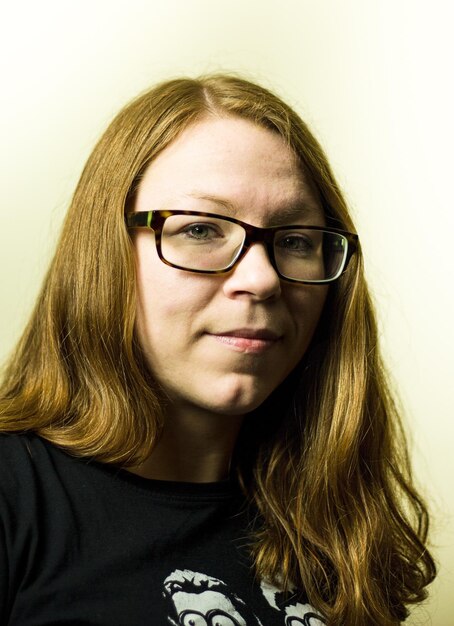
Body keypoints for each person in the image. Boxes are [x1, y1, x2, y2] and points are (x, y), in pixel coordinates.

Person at [0, 74, 435, 625]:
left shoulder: (333, 523)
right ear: (105, 254)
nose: (261, 278)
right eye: (202, 230)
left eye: (296, 240)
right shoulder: (17, 500)